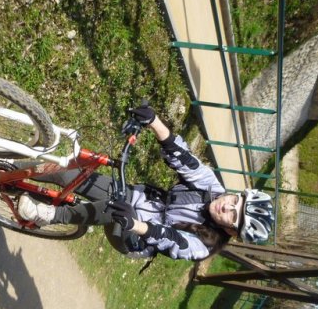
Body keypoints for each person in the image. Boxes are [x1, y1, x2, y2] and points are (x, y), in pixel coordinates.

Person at [17, 104, 274, 260]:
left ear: (230, 231)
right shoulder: (212, 188)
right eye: (234, 201)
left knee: (113, 210)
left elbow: (169, 236)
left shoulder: (203, 247)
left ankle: (49, 216)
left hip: (135, 237)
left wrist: (135, 224)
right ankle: (11, 169)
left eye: (233, 216)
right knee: (68, 174)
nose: (226, 207)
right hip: (135, 198)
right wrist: (154, 121)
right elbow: (184, 158)